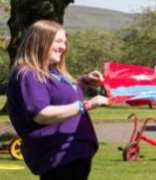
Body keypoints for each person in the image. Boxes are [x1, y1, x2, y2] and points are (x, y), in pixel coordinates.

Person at [6, 20, 109, 180]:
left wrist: (83, 82)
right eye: (58, 41)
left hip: (74, 152)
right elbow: (42, 114)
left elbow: (62, 99)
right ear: (41, 41)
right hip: (58, 156)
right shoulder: (28, 74)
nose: (63, 47)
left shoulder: (52, 71)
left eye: (65, 42)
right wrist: (87, 105)